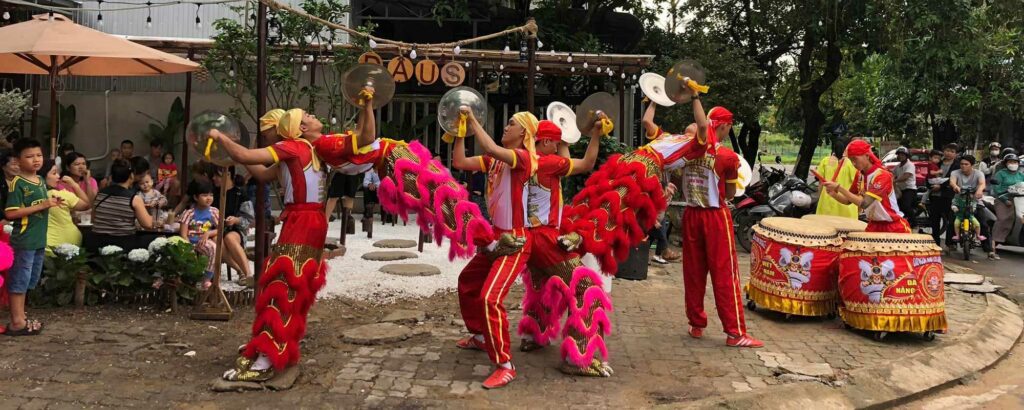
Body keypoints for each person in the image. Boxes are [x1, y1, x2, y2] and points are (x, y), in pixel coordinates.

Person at [216, 97, 376, 382]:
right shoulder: (311, 149)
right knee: (297, 285)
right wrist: (234, 153)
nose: (313, 115)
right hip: (313, 221)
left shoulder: (291, 146)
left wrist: (220, 138)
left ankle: (268, 353)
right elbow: (263, 172)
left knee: (281, 285)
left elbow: (247, 158)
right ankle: (280, 341)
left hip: (301, 221)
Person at [451, 109, 539, 388]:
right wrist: (459, 132)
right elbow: (460, 161)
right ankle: (479, 335)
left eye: (512, 123)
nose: (506, 126)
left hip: (516, 241)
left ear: (523, 133)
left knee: (490, 297)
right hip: (495, 237)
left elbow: (489, 146)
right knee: (467, 282)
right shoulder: (494, 161)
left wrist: (473, 118)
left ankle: (505, 364)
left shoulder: (522, 158)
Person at [676, 97, 765, 348]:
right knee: (725, 274)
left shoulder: (686, 153)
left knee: (693, 273)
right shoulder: (727, 157)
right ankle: (735, 332)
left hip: (691, 214)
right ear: (723, 127)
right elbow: (728, 194)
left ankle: (696, 324)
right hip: (715, 217)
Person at [4, 138, 58, 336]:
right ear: (18, 161)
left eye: (38, 155)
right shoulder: (17, 184)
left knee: (29, 280)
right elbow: (11, 213)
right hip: (24, 240)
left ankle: (22, 317)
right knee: (19, 280)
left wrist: (51, 201)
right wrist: (43, 205)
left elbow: (40, 203)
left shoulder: (41, 180)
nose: (36, 160)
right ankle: (17, 322)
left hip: (38, 240)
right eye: (29, 156)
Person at [823, 140, 911, 233]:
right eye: (851, 160)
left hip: (893, 226)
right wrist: (833, 194)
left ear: (867, 156)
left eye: (855, 159)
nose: (853, 163)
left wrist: (839, 188)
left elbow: (864, 203)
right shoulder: (859, 175)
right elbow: (848, 200)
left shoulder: (882, 175)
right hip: (873, 225)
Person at [85, 160, 156, 254]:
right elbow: (148, 225)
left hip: (97, 242)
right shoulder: (134, 199)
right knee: (157, 240)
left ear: (112, 177)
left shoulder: (100, 194)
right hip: (123, 243)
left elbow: (93, 219)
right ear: (131, 176)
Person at [212, 166, 254, 286]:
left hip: (236, 230)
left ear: (228, 174)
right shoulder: (212, 193)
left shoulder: (240, 194)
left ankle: (248, 274)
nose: (214, 178)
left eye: (217, 175)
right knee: (216, 240)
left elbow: (249, 220)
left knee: (229, 238)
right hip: (215, 230)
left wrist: (236, 220)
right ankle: (240, 271)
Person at [41, 159, 90, 251]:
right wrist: (74, 185)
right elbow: (86, 204)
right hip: (67, 244)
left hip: (46, 245)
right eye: (54, 173)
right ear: (43, 176)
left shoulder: (31, 195)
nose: (58, 176)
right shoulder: (59, 195)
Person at [179, 180, 219, 289]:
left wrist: (209, 233)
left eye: (211, 195)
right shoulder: (189, 213)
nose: (209, 198)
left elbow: (221, 229)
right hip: (189, 242)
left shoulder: (214, 212)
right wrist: (188, 246)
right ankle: (187, 280)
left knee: (214, 248)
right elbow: (183, 234)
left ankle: (206, 278)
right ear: (196, 197)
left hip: (203, 242)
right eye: (204, 195)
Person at [814, 136, 860, 218]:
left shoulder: (825, 161)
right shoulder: (852, 163)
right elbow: (858, 187)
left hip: (826, 205)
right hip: (846, 207)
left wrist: (819, 199)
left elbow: (820, 185)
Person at [949, 155, 987, 245]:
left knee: (983, 222)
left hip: (975, 200)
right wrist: (955, 186)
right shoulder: (955, 173)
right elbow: (952, 181)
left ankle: (989, 250)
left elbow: (982, 183)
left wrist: (979, 190)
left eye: (966, 164)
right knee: (951, 222)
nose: (963, 166)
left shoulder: (978, 173)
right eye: (962, 164)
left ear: (972, 165)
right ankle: (950, 245)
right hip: (959, 201)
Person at [926, 144, 959, 246]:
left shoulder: (957, 165)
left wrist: (941, 186)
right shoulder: (937, 163)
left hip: (948, 195)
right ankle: (936, 243)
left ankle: (950, 243)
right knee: (934, 220)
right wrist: (930, 186)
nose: (949, 153)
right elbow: (928, 175)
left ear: (955, 154)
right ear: (944, 151)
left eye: (952, 151)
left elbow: (953, 179)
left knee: (951, 220)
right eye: (947, 150)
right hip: (935, 196)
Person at [991, 153, 1024, 257]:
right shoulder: (1001, 174)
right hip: (1004, 199)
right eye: (1010, 162)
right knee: (1004, 219)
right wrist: (1005, 200)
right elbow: (996, 188)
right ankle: (993, 245)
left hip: (1020, 199)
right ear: (1006, 164)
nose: (1012, 164)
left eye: (1014, 162)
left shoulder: (1020, 175)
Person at [893, 147, 918, 220]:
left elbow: (906, 176)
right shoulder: (897, 166)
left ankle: (914, 223)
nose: (900, 156)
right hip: (900, 190)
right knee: (897, 206)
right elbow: (891, 174)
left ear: (907, 156)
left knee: (905, 206)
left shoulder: (910, 165)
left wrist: (895, 181)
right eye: (899, 155)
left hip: (909, 189)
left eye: (902, 155)